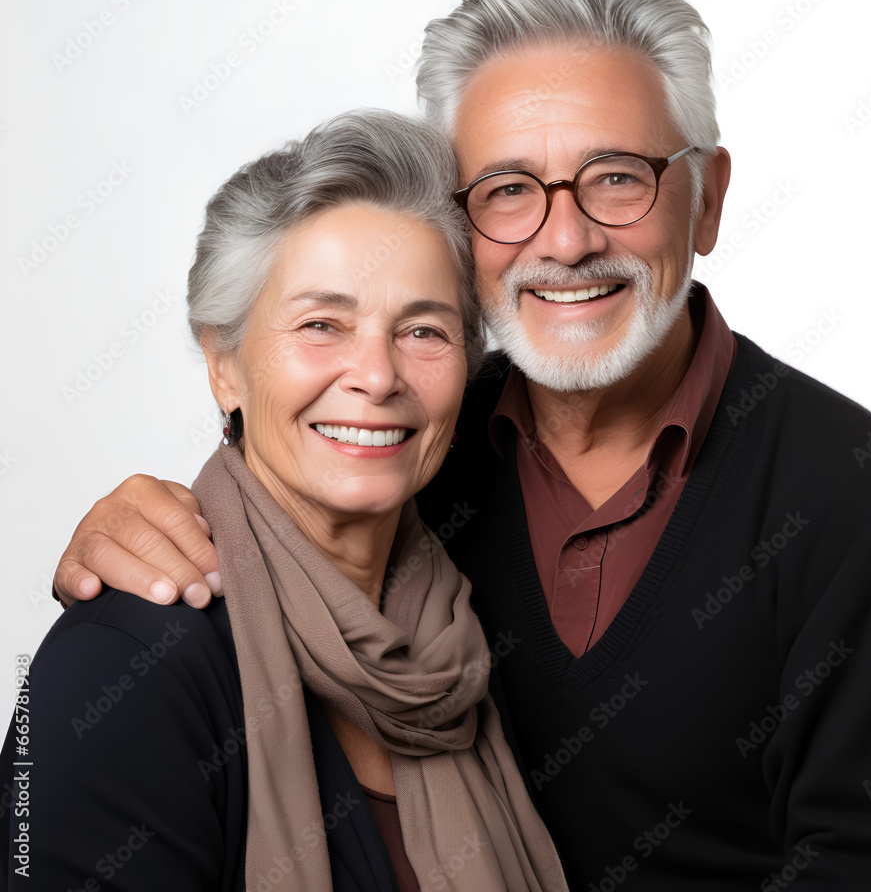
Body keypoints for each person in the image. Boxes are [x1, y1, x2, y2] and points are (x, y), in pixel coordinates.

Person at [50, 0, 871, 890]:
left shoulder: (850, 495)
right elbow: (275, 511)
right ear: (461, 226)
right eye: (507, 189)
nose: (565, 240)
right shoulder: (414, 455)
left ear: (709, 198)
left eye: (617, 178)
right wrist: (144, 519)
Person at [1, 110, 569, 892]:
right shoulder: (123, 664)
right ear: (224, 366)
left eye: (425, 332)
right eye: (322, 323)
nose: (377, 376)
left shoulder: (456, 649)